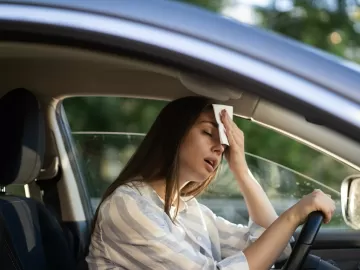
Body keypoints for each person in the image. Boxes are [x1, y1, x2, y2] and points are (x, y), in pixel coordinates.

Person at [86, 96, 335, 270]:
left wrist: (241, 169)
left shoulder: (189, 210)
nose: (219, 147)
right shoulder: (127, 206)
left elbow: (277, 250)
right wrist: (293, 216)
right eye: (207, 132)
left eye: (224, 143)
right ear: (174, 134)